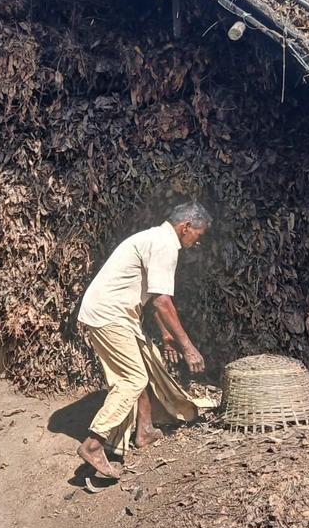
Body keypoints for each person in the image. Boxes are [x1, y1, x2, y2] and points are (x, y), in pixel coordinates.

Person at [75, 201, 215, 479]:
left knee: (145, 365)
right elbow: (163, 301)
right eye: (198, 235)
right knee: (133, 379)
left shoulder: (155, 238)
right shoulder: (164, 245)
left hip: (112, 313)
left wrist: (165, 336)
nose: (198, 242)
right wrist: (188, 347)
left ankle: (145, 430)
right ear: (185, 227)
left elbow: (152, 297)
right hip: (110, 315)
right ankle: (93, 444)